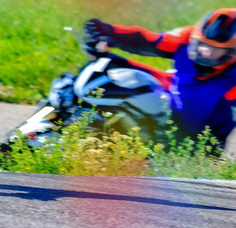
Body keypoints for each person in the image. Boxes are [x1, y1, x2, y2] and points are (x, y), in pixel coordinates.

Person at [84, 10, 236, 145]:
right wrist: (109, 31)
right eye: (202, 45)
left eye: (217, 50)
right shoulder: (186, 37)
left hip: (201, 141)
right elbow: (148, 40)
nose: (206, 53)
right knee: (109, 64)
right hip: (174, 98)